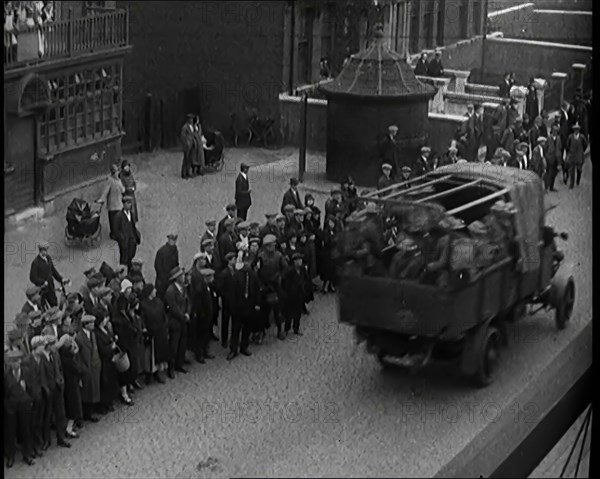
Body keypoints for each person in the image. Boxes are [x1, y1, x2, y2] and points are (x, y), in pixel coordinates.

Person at [4, 349, 36, 468]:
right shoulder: (6, 374)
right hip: (11, 407)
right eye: (12, 361)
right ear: (9, 362)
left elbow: (32, 387)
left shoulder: (26, 372)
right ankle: (10, 456)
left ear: (21, 361)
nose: (15, 363)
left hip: (24, 404)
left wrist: (30, 399)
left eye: (17, 361)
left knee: (26, 430)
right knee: (10, 432)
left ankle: (27, 454)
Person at [39, 335, 71, 448]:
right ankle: (46, 440)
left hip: (58, 388)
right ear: (47, 346)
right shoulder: (41, 357)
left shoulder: (56, 354)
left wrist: (61, 380)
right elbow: (41, 376)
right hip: (48, 391)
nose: (55, 346)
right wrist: (46, 389)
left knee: (60, 414)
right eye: (53, 345)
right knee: (47, 417)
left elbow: (60, 369)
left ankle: (61, 438)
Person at [229, 254, 260, 360]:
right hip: (238, 307)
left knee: (247, 328)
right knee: (235, 329)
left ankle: (244, 346)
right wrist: (232, 307)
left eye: (248, 263)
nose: (247, 265)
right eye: (245, 263)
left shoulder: (254, 276)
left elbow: (257, 291)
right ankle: (233, 349)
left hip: (249, 306)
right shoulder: (237, 276)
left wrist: (257, 304)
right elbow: (232, 293)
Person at [92, 309, 124, 409]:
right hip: (105, 360)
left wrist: (114, 339)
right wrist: (111, 347)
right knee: (106, 382)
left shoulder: (105, 328)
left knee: (112, 380)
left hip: (111, 359)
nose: (106, 319)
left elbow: (109, 338)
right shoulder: (97, 333)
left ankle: (111, 400)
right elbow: (102, 348)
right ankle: (105, 403)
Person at [138, 284, 170, 383]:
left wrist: (165, 326)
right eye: (153, 289)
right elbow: (142, 319)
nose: (155, 291)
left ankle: (158, 373)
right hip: (151, 333)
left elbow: (164, 315)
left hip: (161, 332)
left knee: (160, 354)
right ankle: (149, 374)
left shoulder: (159, 302)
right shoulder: (143, 304)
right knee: (150, 355)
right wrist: (146, 330)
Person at [164, 267, 190, 376]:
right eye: (182, 276)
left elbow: (188, 301)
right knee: (174, 346)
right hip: (175, 322)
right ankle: (171, 367)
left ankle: (180, 364)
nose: (184, 277)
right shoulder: (170, 291)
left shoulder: (183, 288)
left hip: (183, 320)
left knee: (182, 344)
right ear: (177, 278)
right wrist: (183, 316)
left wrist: (188, 312)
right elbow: (174, 308)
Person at [75, 314, 102, 421]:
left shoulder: (92, 335)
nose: (93, 324)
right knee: (86, 392)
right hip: (86, 367)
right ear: (85, 325)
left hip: (94, 366)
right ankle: (86, 414)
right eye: (91, 323)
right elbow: (78, 356)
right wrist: (82, 369)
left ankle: (90, 411)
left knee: (93, 391)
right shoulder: (79, 338)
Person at [57, 333, 85, 436]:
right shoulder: (69, 358)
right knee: (73, 408)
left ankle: (69, 428)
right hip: (72, 385)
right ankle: (69, 429)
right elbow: (78, 369)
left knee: (71, 407)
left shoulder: (63, 356)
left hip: (68, 385)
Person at [29, 241, 69, 309]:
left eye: (46, 250)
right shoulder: (35, 263)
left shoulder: (48, 258)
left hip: (51, 286)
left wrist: (61, 279)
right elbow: (32, 277)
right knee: (44, 306)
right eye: (44, 251)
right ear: (40, 251)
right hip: (42, 289)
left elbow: (53, 270)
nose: (45, 252)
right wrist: (42, 282)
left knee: (54, 302)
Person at [282, 252, 311, 336]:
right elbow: (285, 284)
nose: (300, 261)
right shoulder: (289, 271)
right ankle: (287, 329)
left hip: (300, 295)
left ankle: (296, 328)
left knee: (298, 314)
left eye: (301, 260)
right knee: (289, 314)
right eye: (298, 260)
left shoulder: (303, 270)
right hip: (291, 295)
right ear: (294, 261)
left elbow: (306, 280)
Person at [96, 164, 126, 240]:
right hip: (113, 205)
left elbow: (123, 190)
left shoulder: (118, 180)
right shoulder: (110, 181)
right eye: (116, 172)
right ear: (113, 173)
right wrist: (101, 200)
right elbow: (105, 192)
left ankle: (117, 233)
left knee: (117, 221)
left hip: (118, 204)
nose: (117, 173)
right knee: (113, 221)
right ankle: (114, 234)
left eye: (118, 171)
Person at [215, 252, 238, 349]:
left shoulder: (236, 271)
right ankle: (224, 340)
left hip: (235, 301)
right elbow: (219, 288)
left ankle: (233, 338)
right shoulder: (224, 274)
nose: (235, 261)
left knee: (234, 321)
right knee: (225, 321)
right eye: (233, 259)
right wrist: (225, 296)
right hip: (227, 301)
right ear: (229, 261)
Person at [113, 196, 141, 269]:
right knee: (124, 259)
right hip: (124, 242)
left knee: (131, 257)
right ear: (124, 204)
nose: (130, 205)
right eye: (128, 203)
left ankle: (129, 271)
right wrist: (122, 239)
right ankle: (122, 272)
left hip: (132, 240)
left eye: (130, 203)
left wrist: (136, 237)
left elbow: (133, 225)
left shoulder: (131, 214)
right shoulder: (118, 216)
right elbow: (116, 230)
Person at [154, 233, 180, 300]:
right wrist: (164, 278)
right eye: (171, 239)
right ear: (168, 239)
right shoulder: (161, 251)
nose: (173, 241)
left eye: (174, 240)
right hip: (162, 281)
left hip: (172, 279)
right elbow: (158, 266)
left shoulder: (175, 251)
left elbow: (176, 264)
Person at [565, 123, 588, 189]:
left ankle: (578, 180)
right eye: (575, 130)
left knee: (579, 170)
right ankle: (571, 184)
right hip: (572, 155)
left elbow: (585, 144)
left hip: (579, 156)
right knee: (571, 170)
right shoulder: (570, 137)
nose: (576, 131)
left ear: (579, 130)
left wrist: (582, 151)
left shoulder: (582, 137)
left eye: (577, 130)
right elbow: (567, 145)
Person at [321, 216, 339, 293]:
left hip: (334, 252)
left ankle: (331, 285)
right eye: (330, 222)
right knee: (327, 270)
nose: (332, 224)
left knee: (333, 270)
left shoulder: (335, 231)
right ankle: (325, 285)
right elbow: (327, 241)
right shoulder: (326, 231)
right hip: (327, 253)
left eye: (333, 223)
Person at [119, 159, 139, 223]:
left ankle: (134, 220)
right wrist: (129, 189)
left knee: (133, 207)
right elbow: (122, 187)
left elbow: (133, 182)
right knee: (129, 208)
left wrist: (134, 187)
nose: (127, 168)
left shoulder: (130, 173)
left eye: (128, 166)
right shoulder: (121, 176)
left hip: (132, 194)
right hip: (126, 194)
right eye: (125, 167)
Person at [545, 123, 562, 192]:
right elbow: (546, 148)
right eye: (554, 131)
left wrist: (559, 158)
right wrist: (547, 155)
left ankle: (551, 187)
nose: (555, 133)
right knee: (549, 173)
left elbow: (560, 148)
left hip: (556, 158)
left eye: (556, 131)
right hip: (550, 158)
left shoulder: (558, 138)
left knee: (554, 173)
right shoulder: (549, 138)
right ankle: (547, 187)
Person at [180, 113, 195, 179]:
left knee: (190, 159)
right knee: (186, 159)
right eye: (190, 119)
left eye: (192, 119)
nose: (191, 120)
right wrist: (185, 143)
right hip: (187, 145)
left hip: (191, 144)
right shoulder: (185, 127)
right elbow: (183, 136)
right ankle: (184, 173)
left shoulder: (192, 126)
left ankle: (188, 172)